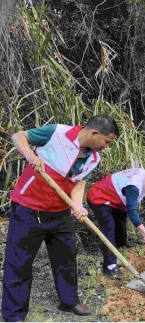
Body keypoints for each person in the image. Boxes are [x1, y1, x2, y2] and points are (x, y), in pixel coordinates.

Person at [2, 115, 119, 322]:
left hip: (61, 213)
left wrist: (78, 206)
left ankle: (69, 300)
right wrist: (30, 155)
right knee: (19, 263)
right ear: (94, 133)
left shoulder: (94, 159)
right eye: (107, 141)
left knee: (66, 258)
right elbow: (19, 136)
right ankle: (14, 315)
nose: (106, 146)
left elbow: (78, 185)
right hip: (29, 209)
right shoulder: (57, 133)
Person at [86, 166, 145, 278]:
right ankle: (109, 266)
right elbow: (133, 213)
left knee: (121, 216)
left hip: (113, 197)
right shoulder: (134, 186)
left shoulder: (143, 175)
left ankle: (121, 244)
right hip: (99, 198)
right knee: (109, 227)